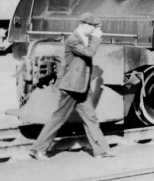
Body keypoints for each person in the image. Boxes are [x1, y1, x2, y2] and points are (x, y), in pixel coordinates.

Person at [29, 13, 116, 159]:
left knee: (91, 118)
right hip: (71, 88)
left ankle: (101, 150)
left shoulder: (82, 38)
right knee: (58, 119)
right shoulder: (73, 40)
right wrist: (96, 38)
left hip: (81, 87)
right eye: (94, 27)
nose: (94, 31)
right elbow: (89, 53)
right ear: (85, 25)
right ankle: (38, 149)